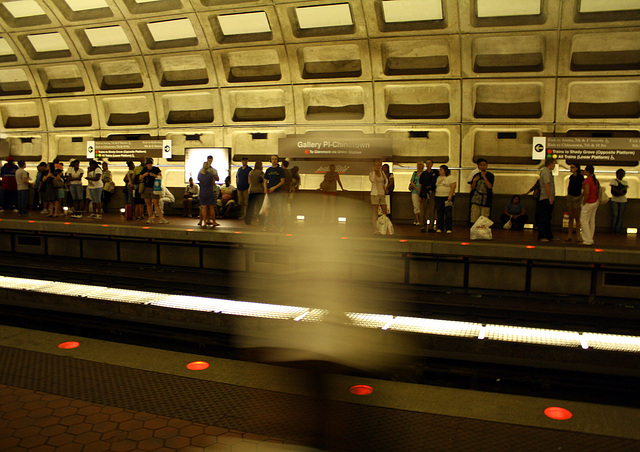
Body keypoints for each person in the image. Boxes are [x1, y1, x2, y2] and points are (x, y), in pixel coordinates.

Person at [139, 158, 168, 224]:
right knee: (148, 203)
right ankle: (150, 217)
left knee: (156, 204)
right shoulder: (144, 170)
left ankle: (161, 218)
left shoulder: (156, 169)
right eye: (148, 165)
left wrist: (154, 175)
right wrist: (144, 175)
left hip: (155, 188)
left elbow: (160, 177)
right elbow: (140, 178)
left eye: (150, 164)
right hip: (146, 188)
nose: (149, 166)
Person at [263, 155, 285, 232]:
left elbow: (282, 181)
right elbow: (265, 180)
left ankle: (280, 226)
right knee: (268, 209)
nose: (274, 160)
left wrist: (274, 188)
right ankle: (267, 225)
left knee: (279, 210)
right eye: (273, 159)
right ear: (271, 160)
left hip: (277, 192)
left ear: (277, 160)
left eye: (275, 159)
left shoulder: (280, 170)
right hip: (269, 193)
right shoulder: (268, 170)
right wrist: (265, 188)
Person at [579, 164, 599, 246]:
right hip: (595, 202)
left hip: (589, 202)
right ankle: (591, 238)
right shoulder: (595, 180)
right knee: (591, 221)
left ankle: (587, 240)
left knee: (584, 221)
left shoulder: (587, 180)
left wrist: (584, 201)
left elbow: (586, 192)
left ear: (587, 171)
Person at [469, 158, 494, 224]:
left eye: (484, 165)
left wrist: (484, 177)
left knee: (484, 218)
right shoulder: (476, 175)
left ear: (487, 166)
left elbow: (490, 186)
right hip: (476, 198)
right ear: (478, 166)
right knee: (474, 217)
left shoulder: (490, 175)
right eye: (481, 165)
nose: (483, 166)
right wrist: (474, 181)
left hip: (486, 199)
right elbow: (472, 187)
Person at [538, 157, 557, 242]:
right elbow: (547, 185)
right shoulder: (546, 172)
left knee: (548, 217)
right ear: (550, 164)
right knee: (544, 217)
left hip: (547, 197)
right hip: (546, 198)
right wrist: (550, 197)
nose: (554, 166)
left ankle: (549, 235)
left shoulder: (547, 172)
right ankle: (542, 235)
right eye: (554, 164)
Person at [417, 159, 438, 232]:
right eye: (427, 163)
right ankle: (423, 226)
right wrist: (419, 195)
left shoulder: (435, 173)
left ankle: (431, 226)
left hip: (432, 193)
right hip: (424, 193)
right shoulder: (423, 174)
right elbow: (420, 185)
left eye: (429, 163)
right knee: (423, 211)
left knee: (432, 210)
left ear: (432, 164)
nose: (428, 164)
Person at [434, 165, 456, 233]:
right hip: (438, 196)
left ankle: (448, 228)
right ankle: (440, 227)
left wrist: (450, 195)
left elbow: (453, 186)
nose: (439, 171)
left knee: (448, 212)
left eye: (441, 170)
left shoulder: (451, 177)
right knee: (439, 212)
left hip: (447, 196)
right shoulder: (438, 177)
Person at [565, 163, 583, 241]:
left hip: (576, 197)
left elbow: (582, 187)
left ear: (576, 168)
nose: (571, 168)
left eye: (572, 167)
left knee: (577, 217)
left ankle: (578, 235)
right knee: (570, 217)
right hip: (570, 196)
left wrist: (580, 197)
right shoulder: (571, 177)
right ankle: (570, 234)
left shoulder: (580, 177)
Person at [198, 161, 219, 227]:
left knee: (203, 207)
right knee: (211, 207)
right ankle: (214, 221)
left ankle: (205, 222)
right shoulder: (210, 175)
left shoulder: (200, 175)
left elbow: (199, 181)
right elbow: (213, 183)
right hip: (209, 192)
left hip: (202, 192)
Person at [369, 160, 388, 234]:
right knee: (375, 212)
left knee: (385, 211)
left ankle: (384, 227)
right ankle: (375, 228)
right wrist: (374, 172)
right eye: (376, 165)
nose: (377, 167)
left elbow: (386, 181)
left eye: (378, 165)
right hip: (375, 194)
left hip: (382, 193)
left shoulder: (382, 173)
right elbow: (372, 180)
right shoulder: (371, 173)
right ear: (374, 166)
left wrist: (385, 186)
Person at [610, 168, 628, 235]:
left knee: (620, 215)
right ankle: (613, 229)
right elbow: (613, 188)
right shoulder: (613, 181)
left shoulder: (625, 182)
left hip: (622, 200)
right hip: (615, 200)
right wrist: (621, 192)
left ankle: (617, 230)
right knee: (615, 215)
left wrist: (619, 192)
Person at [246, 161, 264, 226]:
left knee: (250, 207)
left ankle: (247, 221)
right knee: (260, 207)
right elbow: (262, 182)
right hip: (259, 191)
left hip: (252, 191)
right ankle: (261, 221)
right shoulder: (261, 173)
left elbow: (249, 182)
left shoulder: (251, 172)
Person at [408, 162, 424, 226]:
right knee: (416, 205)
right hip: (415, 190)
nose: (419, 166)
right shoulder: (415, 173)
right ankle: (417, 219)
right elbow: (412, 181)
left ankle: (419, 219)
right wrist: (416, 188)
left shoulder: (424, 173)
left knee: (421, 206)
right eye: (418, 165)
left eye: (420, 165)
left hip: (422, 190)